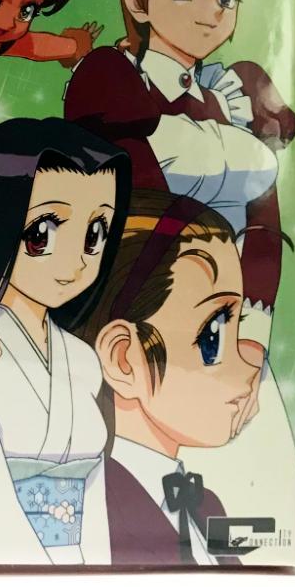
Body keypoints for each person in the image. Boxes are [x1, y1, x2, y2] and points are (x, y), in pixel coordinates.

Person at [64, 0, 295, 523]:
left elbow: (264, 226)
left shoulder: (236, 93)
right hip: (143, 316)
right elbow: (127, 202)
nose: (211, 9)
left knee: (245, 482)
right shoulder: (111, 80)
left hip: (229, 318)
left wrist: (252, 334)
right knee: (131, 473)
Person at [0, 118, 130, 565]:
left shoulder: (83, 361)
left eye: (95, 233)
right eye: (44, 233)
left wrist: (95, 571)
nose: (75, 261)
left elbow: (94, 501)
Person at [77, 191, 259, 566]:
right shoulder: (91, 505)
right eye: (213, 335)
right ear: (124, 360)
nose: (249, 369)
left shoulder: (207, 506)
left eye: (236, 325)